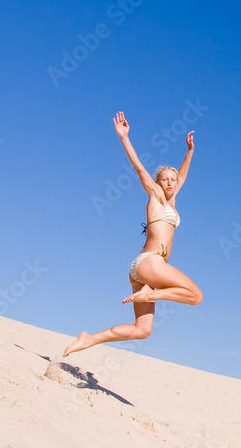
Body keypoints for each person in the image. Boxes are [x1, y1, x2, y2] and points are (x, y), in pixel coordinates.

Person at [63, 111, 203, 357]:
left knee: (142, 330)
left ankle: (88, 339)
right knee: (195, 296)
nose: (170, 183)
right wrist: (124, 138)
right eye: (164, 180)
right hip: (151, 264)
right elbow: (139, 167)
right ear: (157, 183)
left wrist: (189, 152)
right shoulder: (156, 197)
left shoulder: (172, 202)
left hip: (141, 271)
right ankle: (151, 293)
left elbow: (182, 177)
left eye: (173, 180)